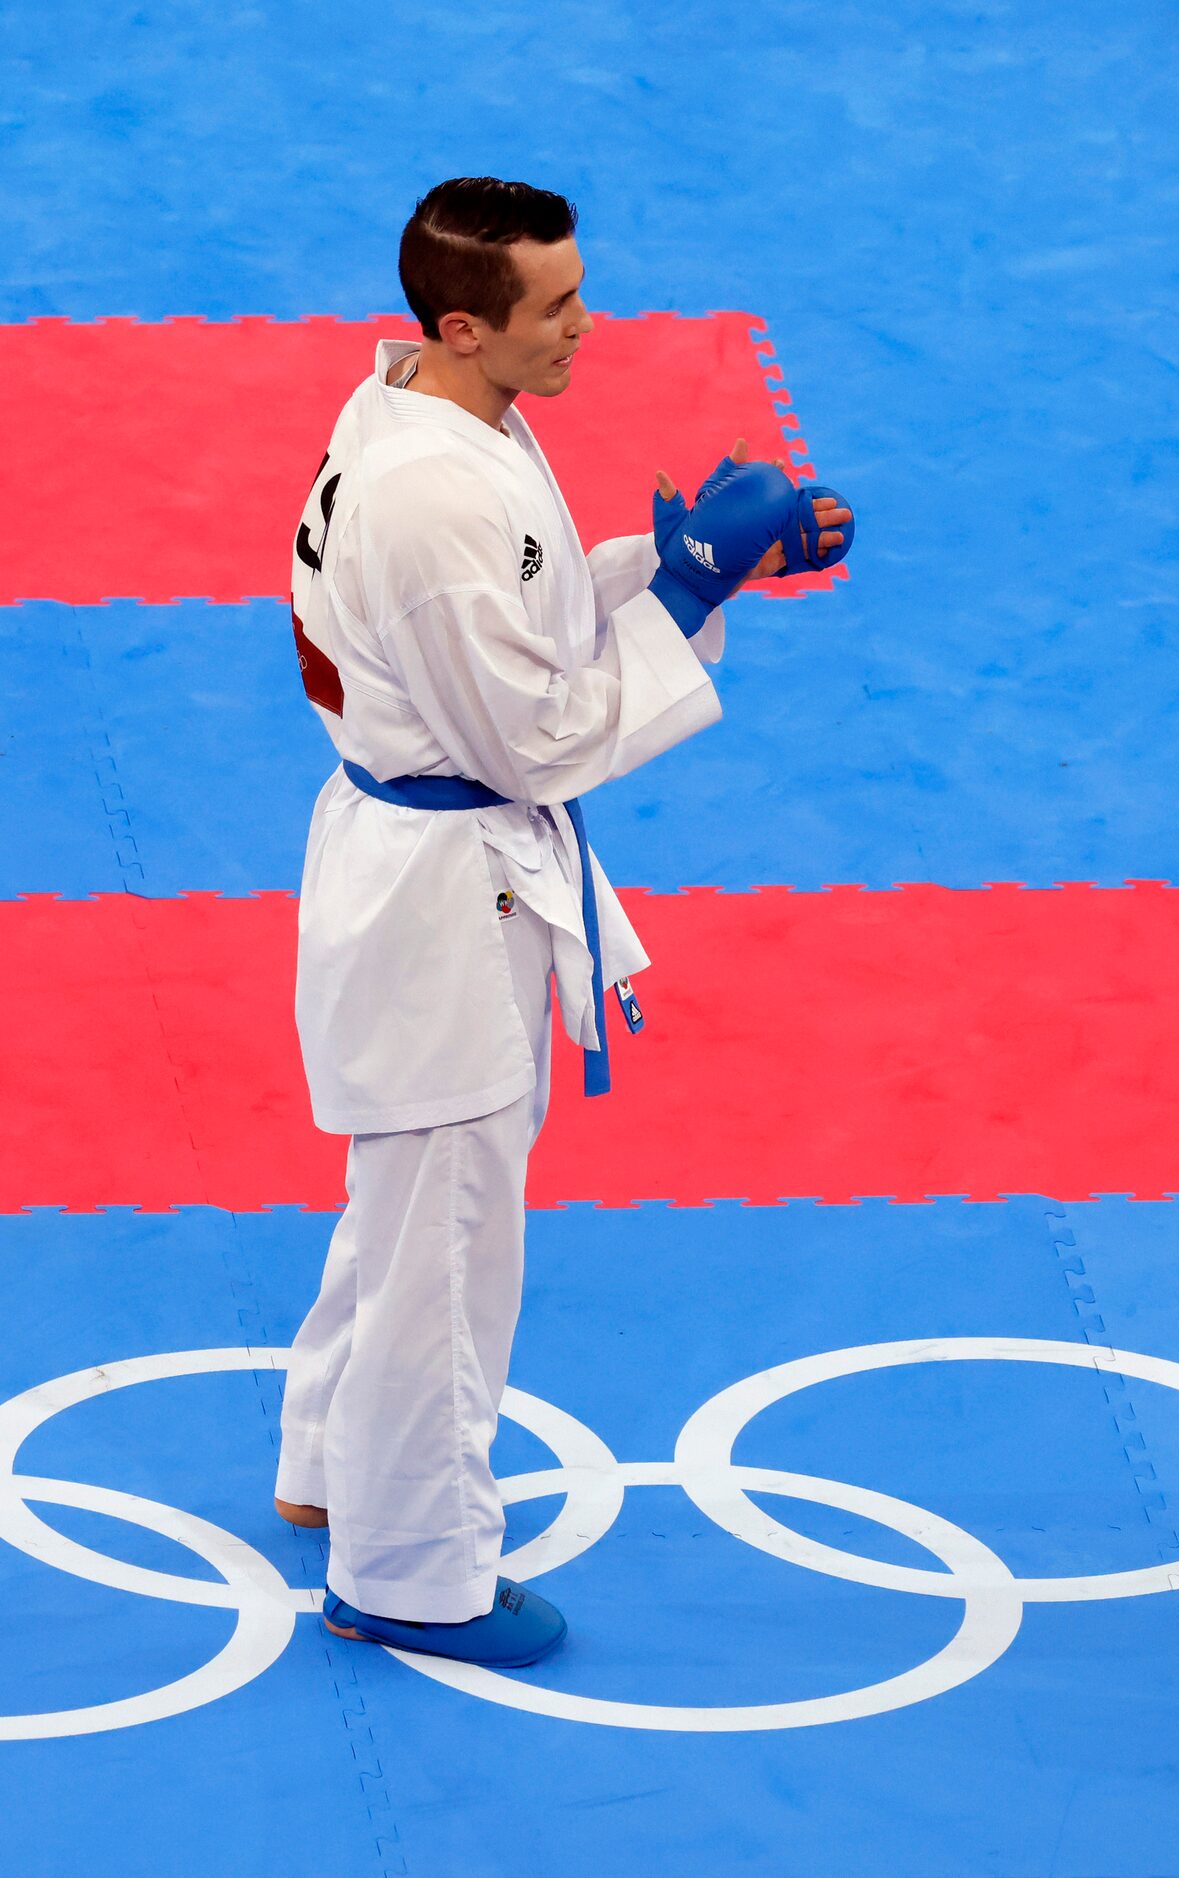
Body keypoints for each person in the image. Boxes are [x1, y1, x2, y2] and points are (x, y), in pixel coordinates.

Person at [272, 177, 854, 1668]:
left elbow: (508, 628)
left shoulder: (426, 403)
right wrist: (685, 595)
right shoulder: (427, 492)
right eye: (557, 307)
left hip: (435, 856)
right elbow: (530, 737)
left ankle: (330, 1463)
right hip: (441, 894)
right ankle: (413, 1572)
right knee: (448, 1248)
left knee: (406, 1209)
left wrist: (669, 568)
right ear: (463, 323)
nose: (585, 326)